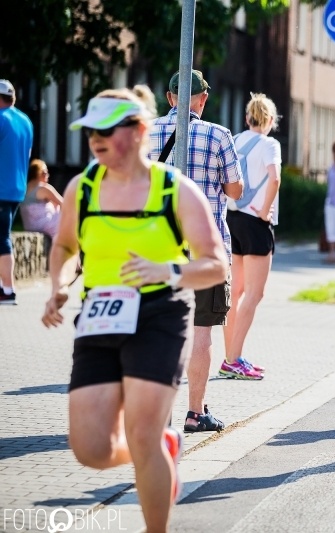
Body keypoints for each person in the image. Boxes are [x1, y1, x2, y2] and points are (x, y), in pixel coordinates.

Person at [42, 89, 227, 533]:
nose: (96, 140)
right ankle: (160, 446)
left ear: (140, 130)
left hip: (160, 314)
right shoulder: (82, 188)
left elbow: (216, 263)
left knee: (141, 436)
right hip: (100, 313)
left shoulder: (173, 190)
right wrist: (60, 283)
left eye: (107, 130)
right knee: (90, 448)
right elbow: (66, 245)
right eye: (90, 132)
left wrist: (167, 269)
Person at [148, 70, 244, 432]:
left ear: (171, 98)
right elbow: (235, 192)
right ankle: (195, 412)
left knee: (158, 330)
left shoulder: (148, 132)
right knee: (201, 328)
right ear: (202, 99)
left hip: (157, 248)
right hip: (206, 249)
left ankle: (156, 414)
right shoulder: (219, 135)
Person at [223, 92, 281, 378]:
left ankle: (230, 356)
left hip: (233, 218)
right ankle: (233, 360)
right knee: (255, 293)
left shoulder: (236, 140)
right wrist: (264, 211)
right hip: (256, 223)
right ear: (270, 120)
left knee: (236, 292)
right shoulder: (270, 144)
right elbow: (275, 178)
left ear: (247, 118)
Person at [0, 79, 34, 305]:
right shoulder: (25, 120)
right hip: (16, 187)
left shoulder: (1, 119)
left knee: (2, 239)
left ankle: (8, 290)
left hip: (1, 187)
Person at [20, 159, 63, 239]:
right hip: (45, 225)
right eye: (45, 172)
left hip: (29, 226)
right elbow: (63, 203)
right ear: (38, 173)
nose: (47, 175)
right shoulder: (43, 188)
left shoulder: (24, 188)